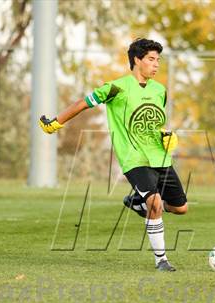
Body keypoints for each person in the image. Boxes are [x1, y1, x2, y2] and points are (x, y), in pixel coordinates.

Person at [39, 38, 188, 272]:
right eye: (151, 59)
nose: (156, 64)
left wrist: (167, 136)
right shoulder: (115, 88)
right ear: (137, 60)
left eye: (158, 60)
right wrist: (55, 123)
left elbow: (153, 123)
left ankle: (139, 204)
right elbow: (82, 103)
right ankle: (162, 261)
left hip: (160, 157)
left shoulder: (160, 91)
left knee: (181, 208)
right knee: (156, 203)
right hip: (133, 158)